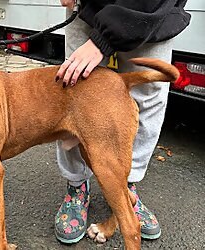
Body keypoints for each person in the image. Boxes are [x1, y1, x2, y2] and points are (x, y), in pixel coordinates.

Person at [54, 0, 191, 244]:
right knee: (74, 89)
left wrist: (102, 41)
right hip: (87, 7)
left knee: (147, 96)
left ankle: (126, 191)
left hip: (153, 8)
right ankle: (77, 185)